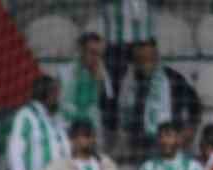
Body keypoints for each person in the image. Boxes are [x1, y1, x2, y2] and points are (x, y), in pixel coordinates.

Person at [124, 42, 200, 156]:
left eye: (149, 58)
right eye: (141, 59)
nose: (146, 63)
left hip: (170, 140)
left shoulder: (173, 78)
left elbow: (194, 105)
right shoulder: (133, 82)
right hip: (143, 144)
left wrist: (189, 131)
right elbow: (126, 113)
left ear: (156, 57)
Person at [98, 0, 154, 133]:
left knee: (145, 87)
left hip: (143, 38)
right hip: (114, 39)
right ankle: (110, 129)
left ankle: (141, 128)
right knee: (110, 89)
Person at [58, 32, 113, 140]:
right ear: (81, 50)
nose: (96, 58)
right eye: (92, 53)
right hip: (67, 128)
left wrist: (99, 81)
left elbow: (107, 103)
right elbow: (62, 103)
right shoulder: (65, 71)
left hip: (91, 130)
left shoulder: (102, 72)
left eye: (100, 54)